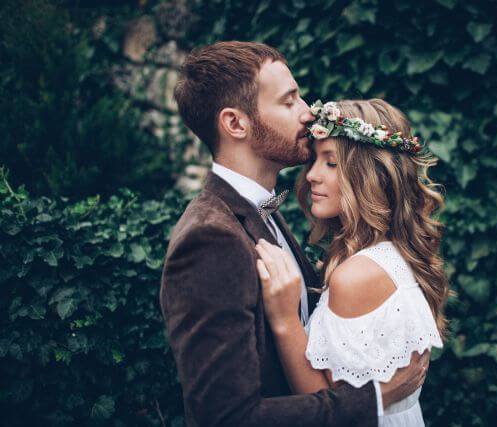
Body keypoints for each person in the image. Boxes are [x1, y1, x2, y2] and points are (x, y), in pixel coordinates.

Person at [159, 41, 430, 427]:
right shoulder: (211, 238)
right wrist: (372, 400)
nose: (308, 113)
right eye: (289, 102)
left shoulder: (265, 212)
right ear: (236, 123)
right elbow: (224, 418)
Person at [254, 99, 450, 426]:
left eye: (331, 163)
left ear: (371, 175)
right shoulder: (388, 254)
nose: (312, 175)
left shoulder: (356, 275)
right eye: (315, 159)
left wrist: (284, 319)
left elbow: (329, 407)